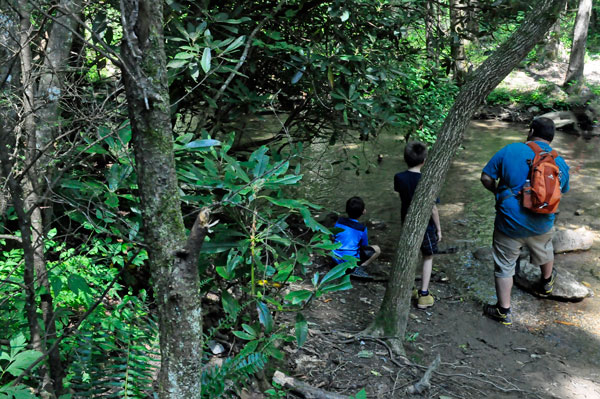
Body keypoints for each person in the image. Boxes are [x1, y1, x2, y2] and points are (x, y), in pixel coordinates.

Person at [480, 117, 570, 326]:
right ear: (552, 138)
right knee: (546, 247)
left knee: (504, 265)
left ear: (530, 131)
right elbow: (562, 190)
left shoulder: (510, 150)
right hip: (542, 224)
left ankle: (503, 311)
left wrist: (498, 192)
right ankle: (546, 284)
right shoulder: (559, 161)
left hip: (509, 224)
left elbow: (485, 177)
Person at [393, 141, 442, 309]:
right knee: (427, 257)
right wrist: (439, 228)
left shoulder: (399, 177)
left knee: (411, 255)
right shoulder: (427, 180)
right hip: (426, 226)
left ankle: (410, 288)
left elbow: (399, 194)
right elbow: (433, 208)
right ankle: (424, 294)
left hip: (406, 222)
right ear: (424, 160)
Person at [331, 196, 381, 278]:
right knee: (377, 249)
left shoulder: (339, 221)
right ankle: (359, 268)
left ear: (346, 210)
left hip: (335, 259)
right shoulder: (362, 228)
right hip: (349, 261)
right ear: (363, 212)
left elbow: (333, 236)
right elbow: (364, 246)